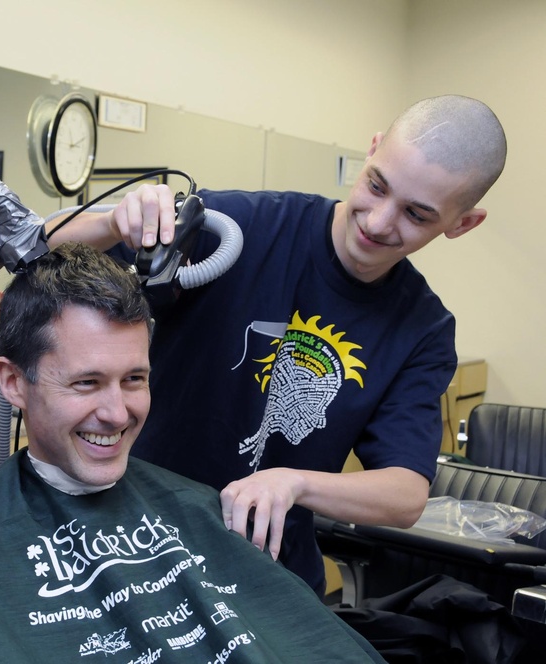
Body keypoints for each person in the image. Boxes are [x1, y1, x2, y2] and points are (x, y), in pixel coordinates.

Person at [48, 94, 508, 596]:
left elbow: (405, 495)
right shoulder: (237, 227)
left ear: (462, 223)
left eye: (417, 215)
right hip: (132, 543)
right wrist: (112, 222)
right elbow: (29, 247)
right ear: (372, 150)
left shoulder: (422, 327)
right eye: (376, 186)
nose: (378, 222)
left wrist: (295, 482)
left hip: (266, 575)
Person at [0, 242, 384, 663]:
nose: (118, 412)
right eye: (86, 383)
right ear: (12, 383)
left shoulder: (199, 509)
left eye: (134, 379)